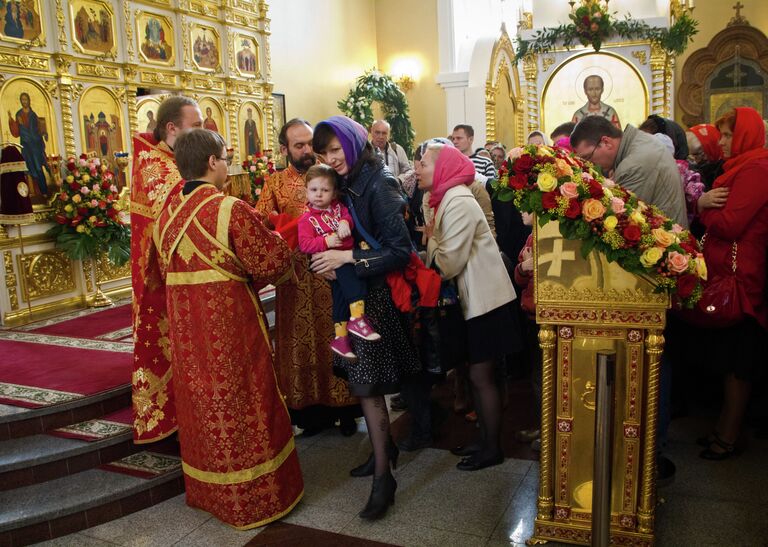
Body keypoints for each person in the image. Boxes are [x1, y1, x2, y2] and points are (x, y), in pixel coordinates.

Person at [154, 128, 303, 528]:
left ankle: (210, 495)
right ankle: (258, 500)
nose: (228, 164)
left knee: (204, 409)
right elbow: (270, 262)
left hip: (188, 336)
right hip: (232, 332)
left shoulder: (164, 214)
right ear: (212, 163)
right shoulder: (228, 210)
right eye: (225, 157)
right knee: (246, 405)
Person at [310, 115, 421, 519]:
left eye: (336, 150)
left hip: (376, 301)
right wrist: (321, 261)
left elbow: (400, 251)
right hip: (354, 295)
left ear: (354, 143)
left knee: (367, 386)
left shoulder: (380, 182)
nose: (330, 159)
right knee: (362, 384)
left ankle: (383, 477)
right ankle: (384, 451)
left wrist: (345, 257)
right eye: (324, 153)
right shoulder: (348, 180)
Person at [256, 119, 360, 437]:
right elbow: (260, 222)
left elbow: (349, 212)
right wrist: (284, 225)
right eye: (298, 145)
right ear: (285, 149)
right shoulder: (274, 183)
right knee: (302, 345)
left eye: (309, 143)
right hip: (297, 281)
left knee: (337, 336)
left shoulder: (329, 173)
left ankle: (346, 409)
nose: (306, 151)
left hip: (332, 276)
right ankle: (311, 415)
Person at [420, 142, 521, 470]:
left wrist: (432, 238)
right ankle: (485, 439)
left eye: (423, 163)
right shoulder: (444, 198)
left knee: (482, 376)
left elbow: (448, 263)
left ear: (442, 169)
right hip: (476, 299)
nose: (417, 168)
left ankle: (493, 448)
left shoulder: (459, 201)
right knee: (477, 374)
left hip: (487, 301)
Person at [696, 107, 768, 460]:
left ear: (745, 136)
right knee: (728, 356)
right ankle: (725, 427)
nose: (721, 141)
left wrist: (702, 206)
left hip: (743, 276)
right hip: (727, 272)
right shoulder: (739, 167)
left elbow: (730, 224)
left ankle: (728, 435)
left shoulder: (757, 168)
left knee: (740, 360)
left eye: (727, 135)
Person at [130, 96, 203, 444]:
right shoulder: (153, 164)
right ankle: (172, 425)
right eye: (197, 125)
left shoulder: (177, 159)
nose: (204, 131)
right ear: (172, 128)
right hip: (161, 277)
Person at [298, 163, 381, 360]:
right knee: (355, 285)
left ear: (334, 193)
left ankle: (341, 338)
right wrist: (325, 241)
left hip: (345, 256)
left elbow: (347, 217)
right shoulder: (307, 219)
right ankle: (358, 319)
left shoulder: (338, 208)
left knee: (341, 299)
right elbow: (305, 245)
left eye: (325, 190)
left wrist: (345, 222)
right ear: (306, 191)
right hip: (335, 260)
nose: (319, 194)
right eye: (314, 190)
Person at [570, 115, 689, 228]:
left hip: (667, 243)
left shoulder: (633, 166)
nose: (589, 164)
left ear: (606, 142)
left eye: (587, 157)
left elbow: (619, 223)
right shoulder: (640, 140)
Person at [8, 92, 50, 195]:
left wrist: (44, 133)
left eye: (26, 99)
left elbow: (38, 128)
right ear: (20, 101)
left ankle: (45, 191)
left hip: (36, 146)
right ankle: (36, 193)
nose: (24, 101)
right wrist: (11, 121)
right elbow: (17, 132)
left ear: (29, 101)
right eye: (22, 99)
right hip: (26, 147)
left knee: (39, 168)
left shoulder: (33, 114)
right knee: (30, 169)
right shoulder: (18, 114)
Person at [369, 119, 413, 184]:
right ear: (371, 132)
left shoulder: (397, 149)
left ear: (388, 135)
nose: (381, 137)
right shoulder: (364, 150)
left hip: (394, 191)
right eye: (377, 132)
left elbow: (408, 171)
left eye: (384, 133)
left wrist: (399, 180)